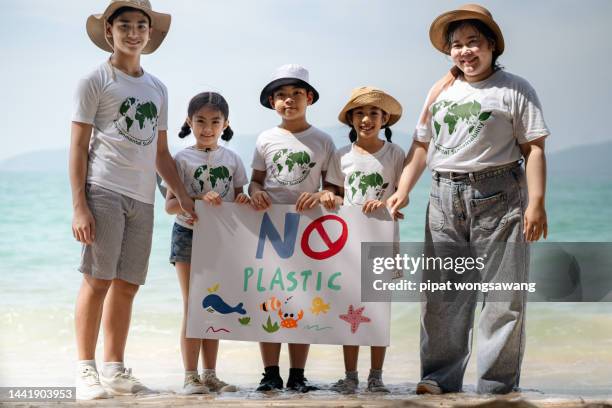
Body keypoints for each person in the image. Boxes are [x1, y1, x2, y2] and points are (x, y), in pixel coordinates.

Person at [387, 4, 550, 395]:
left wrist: (537, 203)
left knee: (503, 296)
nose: (464, 52)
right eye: (456, 45)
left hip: (498, 193)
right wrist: (404, 188)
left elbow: (535, 148)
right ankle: (439, 379)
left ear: (491, 45)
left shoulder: (514, 88)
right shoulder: (441, 88)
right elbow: (422, 146)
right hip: (443, 195)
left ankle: (496, 386)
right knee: (442, 294)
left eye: (473, 42)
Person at [70, 0, 196, 400]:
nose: (133, 32)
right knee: (97, 279)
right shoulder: (96, 80)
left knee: (127, 285)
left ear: (150, 33)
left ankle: (115, 369)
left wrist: (184, 196)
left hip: (142, 198)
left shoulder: (157, 88)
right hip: (103, 190)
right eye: (124, 25)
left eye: (141, 25)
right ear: (110, 31)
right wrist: (79, 205)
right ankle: (85, 370)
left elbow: (161, 153)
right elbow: (77, 146)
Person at [249, 64, 336, 392]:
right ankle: (270, 373)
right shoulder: (264, 139)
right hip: (269, 230)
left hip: (308, 231)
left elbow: (333, 190)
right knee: (268, 298)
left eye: (296, 94)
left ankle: (297, 375)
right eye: (282, 96)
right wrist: (256, 195)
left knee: (303, 298)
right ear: (273, 102)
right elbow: (256, 183)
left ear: (309, 98)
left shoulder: (323, 140)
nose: (289, 101)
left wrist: (322, 195)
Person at [165, 92, 248, 394]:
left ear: (226, 124)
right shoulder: (181, 159)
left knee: (215, 307)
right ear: (189, 122)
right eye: (200, 121)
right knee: (193, 306)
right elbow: (170, 206)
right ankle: (190, 376)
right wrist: (197, 200)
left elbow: (241, 199)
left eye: (215, 121)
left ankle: (210, 374)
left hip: (223, 239)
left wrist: (244, 200)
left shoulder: (233, 159)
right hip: (187, 234)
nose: (207, 128)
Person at [324, 87, 405, 394]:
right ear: (350, 120)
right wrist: (329, 197)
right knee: (350, 310)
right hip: (346, 245)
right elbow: (333, 192)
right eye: (359, 113)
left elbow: (402, 196)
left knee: (378, 311)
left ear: (385, 119)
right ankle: (349, 375)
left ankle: (376, 375)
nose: (366, 119)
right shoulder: (341, 155)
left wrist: (387, 204)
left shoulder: (395, 154)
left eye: (374, 113)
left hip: (382, 243)